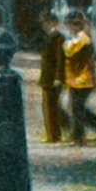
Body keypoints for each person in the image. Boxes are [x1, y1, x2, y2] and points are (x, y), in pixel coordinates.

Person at [64, 12, 96, 146]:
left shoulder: (84, 39)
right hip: (74, 78)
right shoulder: (74, 38)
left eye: (76, 24)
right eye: (70, 24)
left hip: (83, 79)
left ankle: (83, 135)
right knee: (76, 108)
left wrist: (93, 78)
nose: (72, 27)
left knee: (77, 108)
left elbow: (84, 59)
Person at [37, 13, 70, 143]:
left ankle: (54, 136)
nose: (44, 26)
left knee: (51, 107)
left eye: (46, 23)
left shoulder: (58, 37)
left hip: (52, 78)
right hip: (47, 77)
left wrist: (58, 77)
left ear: (53, 22)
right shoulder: (51, 36)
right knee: (51, 107)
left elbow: (61, 59)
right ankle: (58, 132)